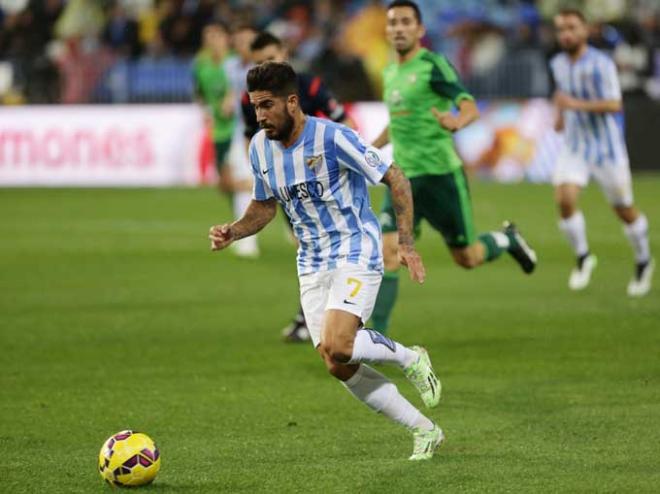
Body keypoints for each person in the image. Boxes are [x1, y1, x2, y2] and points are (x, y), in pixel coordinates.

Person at [209, 61, 444, 461]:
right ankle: (424, 430)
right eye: (254, 107)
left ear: (293, 102)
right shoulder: (259, 148)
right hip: (311, 262)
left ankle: (410, 357)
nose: (260, 116)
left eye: (267, 105)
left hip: (356, 248)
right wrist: (235, 230)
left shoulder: (334, 138)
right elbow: (265, 206)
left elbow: (395, 177)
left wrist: (406, 243)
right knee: (337, 363)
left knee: (340, 342)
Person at [370, 0, 538, 335]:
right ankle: (377, 339)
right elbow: (398, 122)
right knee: (388, 252)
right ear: (387, 30)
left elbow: (469, 105)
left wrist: (457, 121)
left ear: (419, 30)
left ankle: (507, 240)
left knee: (468, 257)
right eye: (393, 23)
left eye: (406, 22)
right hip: (402, 179)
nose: (399, 28)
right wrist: (368, 150)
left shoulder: (434, 66)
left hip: (440, 177)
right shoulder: (390, 71)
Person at [241, 31, 355, 342]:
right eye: (259, 61)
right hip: (289, 188)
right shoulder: (249, 97)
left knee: (320, 249)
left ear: (284, 52)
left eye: (271, 57)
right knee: (308, 250)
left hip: (324, 186)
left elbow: (347, 123)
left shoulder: (309, 85)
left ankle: (326, 318)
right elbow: (251, 140)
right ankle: (319, 317)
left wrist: (331, 162)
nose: (266, 65)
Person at [551, 8, 654, 296]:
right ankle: (583, 257)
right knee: (564, 199)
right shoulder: (558, 63)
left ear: (585, 30)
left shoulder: (601, 64)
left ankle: (644, 259)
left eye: (571, 27)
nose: (566, 34)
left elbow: (614, 104)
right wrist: (559, 114)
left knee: (624, 209)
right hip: (575, 146)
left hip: (607, 150)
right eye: (561, 29)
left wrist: (573, 104)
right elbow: (561, 95)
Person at [223, 24, 259, 258]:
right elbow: (229, 93)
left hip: (265, 135)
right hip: (240, 134)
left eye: (248, 40)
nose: (243, 45)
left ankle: (296, 230)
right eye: (239, 40)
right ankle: (246, 240)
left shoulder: (265, 69)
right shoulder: (230, 67)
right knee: (242, 182)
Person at [192, 21, 235, 196]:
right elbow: (199, 92)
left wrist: (231, 97)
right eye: (208, 37)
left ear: (226, 38)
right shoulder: (201, 64)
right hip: (218, 128)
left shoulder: (235, 61)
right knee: (224, 183)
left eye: (216, 36)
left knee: (238, 175)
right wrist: (206, 110)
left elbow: (244, 84)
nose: (212, 41)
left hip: (238, 127)